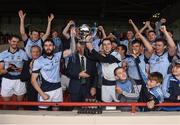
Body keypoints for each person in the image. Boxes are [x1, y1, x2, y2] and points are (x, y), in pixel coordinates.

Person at [31, 39, 74, 111]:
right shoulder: (38, 61)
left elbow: (72, 50)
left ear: (54, 47)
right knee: (42, 114)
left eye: (50, 45)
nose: (48, 47)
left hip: (57, 89)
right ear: (43, 47)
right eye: (46, 45)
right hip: (45, 91)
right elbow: (33, 80)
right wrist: (42, 94)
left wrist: (72, 37)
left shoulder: (58, 55)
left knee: (56, 113)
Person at [86, 37, 121, 102]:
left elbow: (106, 60)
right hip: (101, 87)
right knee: (102, 108)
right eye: (104, 44)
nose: (106, 46)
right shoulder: (99, 56)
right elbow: (88, 55)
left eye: (108, 44)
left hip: (114, 87)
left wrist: (91, 49)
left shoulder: (116, 54)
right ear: (102, 46)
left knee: (113, 109)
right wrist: (87, 42)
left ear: (112, 46)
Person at [0, 35, 28, 109]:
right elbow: (0, 71)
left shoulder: (23, 53)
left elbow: (27, 69)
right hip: (7, 80)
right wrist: (8, 70)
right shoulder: (3, 54)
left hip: (19, 80)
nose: (15, 43)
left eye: (17, 42)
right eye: (13, 41)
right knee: (6, 105)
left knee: (20, 105)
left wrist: (21, 69)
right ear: (9, 41)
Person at [20, 45, 41, 110]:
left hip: (44, 88)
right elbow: (22, 78)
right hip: (31, 90)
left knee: (43, 107)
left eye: (37, 52)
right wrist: (30, 71)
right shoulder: (26, 63)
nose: (35, 53)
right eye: (33, 52)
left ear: (40, 52)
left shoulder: (45, 62)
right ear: (31, 53)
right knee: (32, 109)